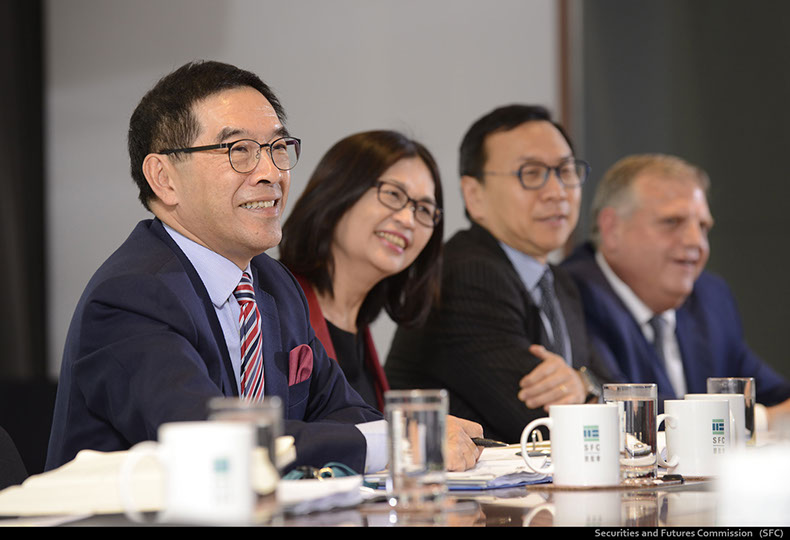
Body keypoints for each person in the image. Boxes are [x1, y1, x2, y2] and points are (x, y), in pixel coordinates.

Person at [45, 61, 385, 473]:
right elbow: (213, 448)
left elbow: (346, 413)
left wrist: (390, 441)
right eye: (239, 150)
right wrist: (399, 442)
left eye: (278, 147)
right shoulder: (130, 297)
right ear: (163, 178)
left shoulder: (274, 284)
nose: (271, 173)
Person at [385, 105, 613, 443]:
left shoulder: (559, 282)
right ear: (474, 195)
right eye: (531, 173)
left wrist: (583, 384)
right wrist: (586, 390)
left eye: (566, 171)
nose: (557, 192)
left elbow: (613, 386)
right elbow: (538, 422)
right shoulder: (467, 274)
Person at [280, 130, 482, 470]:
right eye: (392, 195)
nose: (407, 220)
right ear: (338, 191)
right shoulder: (273, 307)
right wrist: (409, 438)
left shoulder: (358, 324)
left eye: (423, 209)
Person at [562, 153, 790, 425]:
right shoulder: (571, 296)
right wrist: (760, 420)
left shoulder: (710, 296)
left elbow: (773, 394)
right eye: (672, 222)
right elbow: (630, 415)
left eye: (703, 227)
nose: (696, 242)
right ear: (612, 229)